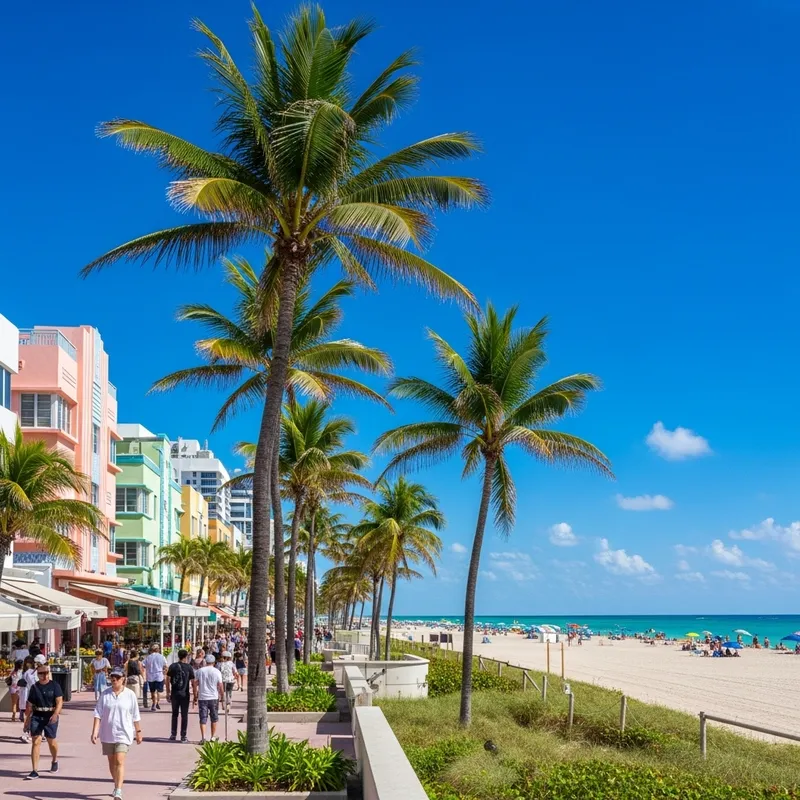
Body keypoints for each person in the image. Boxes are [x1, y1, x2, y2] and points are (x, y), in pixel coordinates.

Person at [91, 666, 143, 799]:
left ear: (123, 679)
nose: (114, 680)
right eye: (112, 678)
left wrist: (138, 731)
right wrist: (95, 731)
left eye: (117, 678)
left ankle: (118, 790)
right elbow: (98, 713)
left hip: (124, 733)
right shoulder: (105, 694)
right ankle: (116, 784)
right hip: (107, 733)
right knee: (112, 762)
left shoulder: (130, 695)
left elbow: (135, 715)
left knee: (119, 761)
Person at [24, 661, 63, 779]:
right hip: (37, 715)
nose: (44, 675)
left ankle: (55, 760)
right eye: (41, 673)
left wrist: (56, 714)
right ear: (38, 674)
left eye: (46, 673)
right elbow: (29, 705)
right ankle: (34, 770)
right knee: (36, 741)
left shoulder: (54, 685)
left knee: (51, 741)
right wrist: (26, 721)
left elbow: (59, 701)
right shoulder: (34, 688)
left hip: (50, 715)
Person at [166, 649, 195, 743]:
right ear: (186, 657)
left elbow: (167, 679)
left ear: (178, 656)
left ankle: (173, 734)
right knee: (184, 715)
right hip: (185, 694)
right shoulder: (189, 667)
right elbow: (193, 682)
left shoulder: (172, 666)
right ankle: (183, 736)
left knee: (174, 714)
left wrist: (168, 692)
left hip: (174, 693)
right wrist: (195, 695)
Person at [193, 654, 223, 744]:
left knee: (203, 717)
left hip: (202, 697)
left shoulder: (199, 671)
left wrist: (195, 695)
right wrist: (223, 696)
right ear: (214, 662)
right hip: (213, 697)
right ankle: (213, 736)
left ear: (205, 662)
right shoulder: (217, 671)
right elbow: (220, 685)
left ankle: (203, 737)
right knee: (214, 717)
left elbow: (195, 684)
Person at [143, 644, 167, 711]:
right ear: (158, 649)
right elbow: (165, 666)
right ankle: (156, 702)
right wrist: (165, 673)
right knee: (158, 691)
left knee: (152, 691)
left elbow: (143, 665)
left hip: (150, 676)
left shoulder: (148, 657)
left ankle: (154, 702)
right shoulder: (161, 657)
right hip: (159, 675)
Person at [18, 656, 37, 743]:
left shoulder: (29, 673)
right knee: (30, 716)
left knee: (30, 716)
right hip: (30, 697)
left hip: (30, 697)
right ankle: (30, 732)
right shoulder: (31, 672)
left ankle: (29, 734)